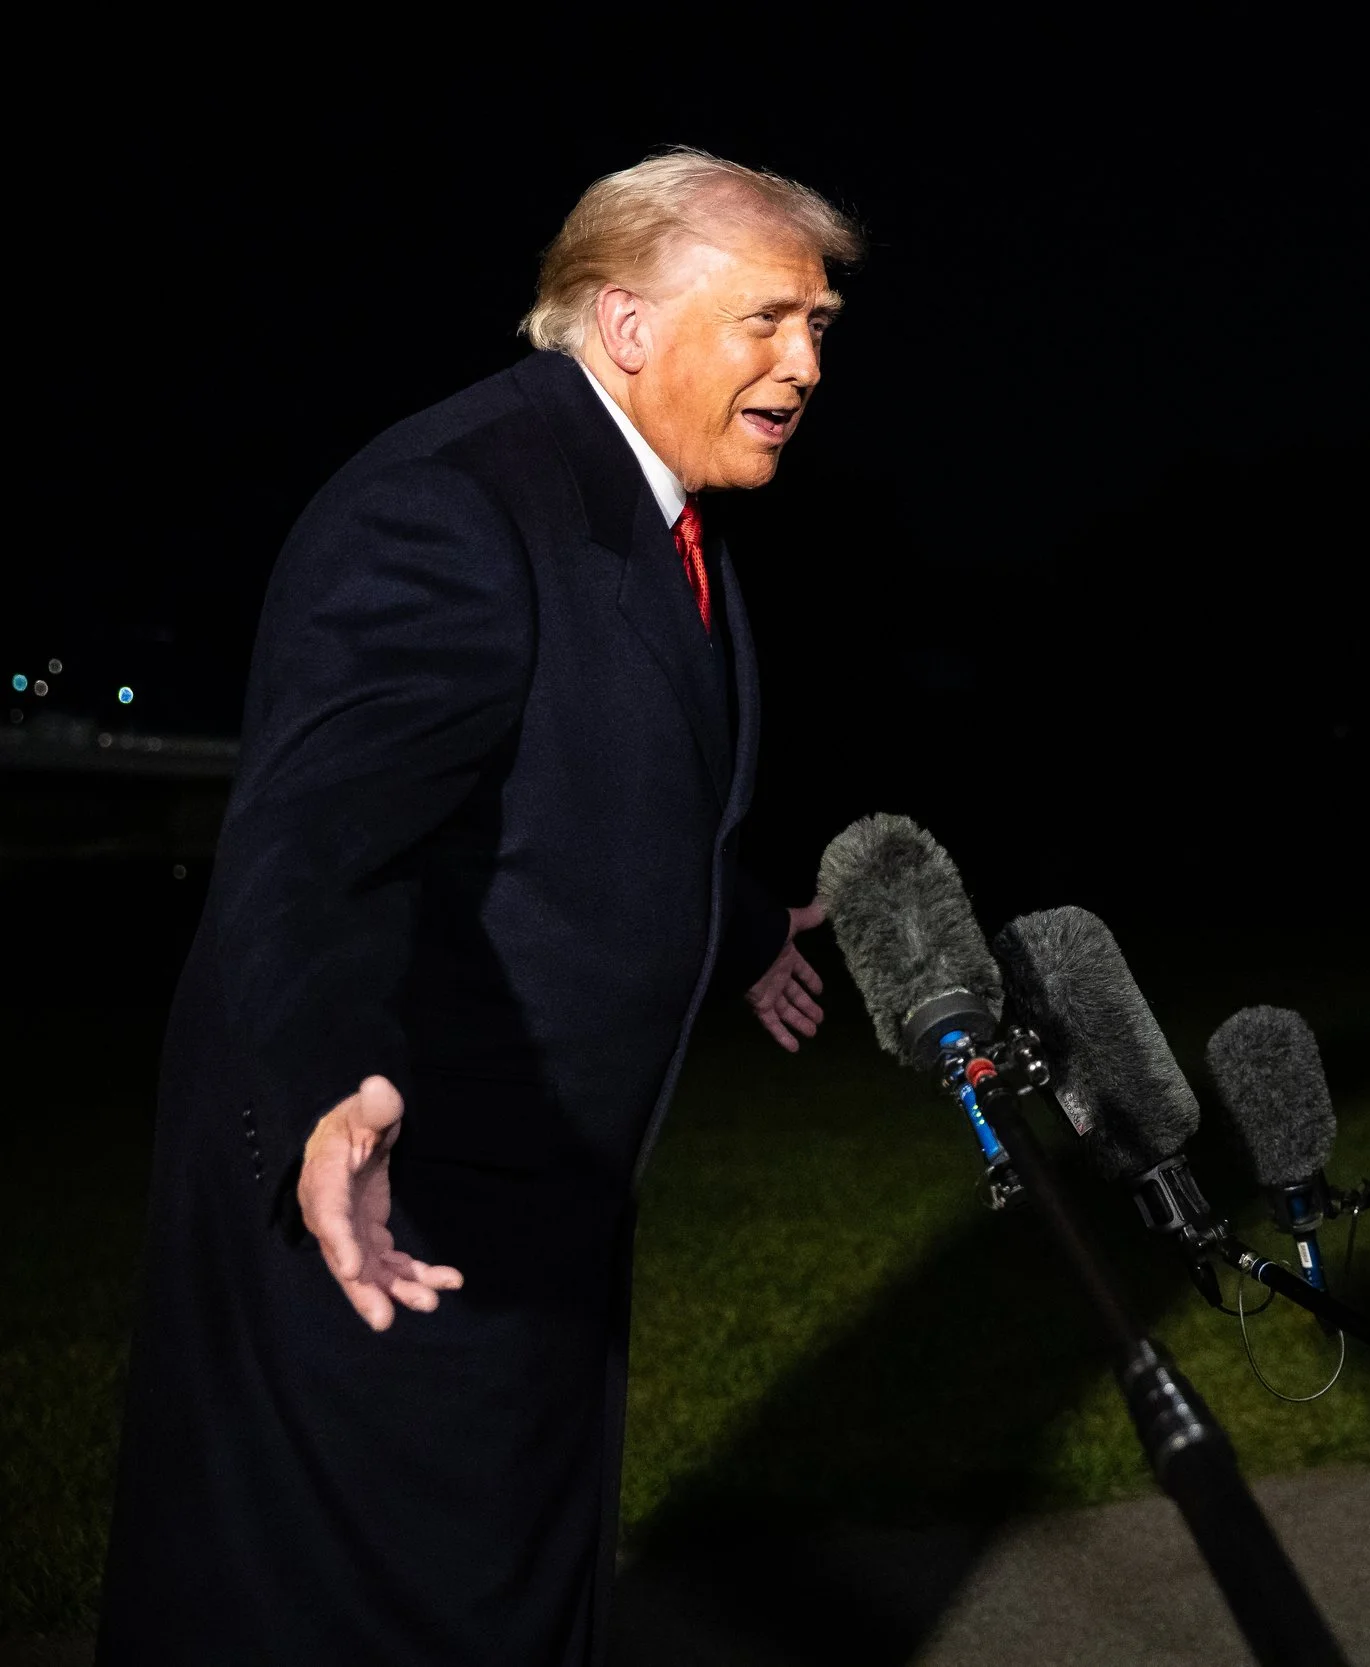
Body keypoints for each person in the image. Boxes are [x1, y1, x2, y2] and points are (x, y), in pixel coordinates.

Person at [97, 151, 860, 1664]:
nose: (806, 364)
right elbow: (313, 845)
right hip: (386, 1215)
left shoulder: (642, 506)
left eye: (821, 325)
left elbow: (578, 793)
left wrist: (742, 923)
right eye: (770, 319)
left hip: (529, 1216)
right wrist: (330, 1088)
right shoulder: (451, 506)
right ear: (629, 323)